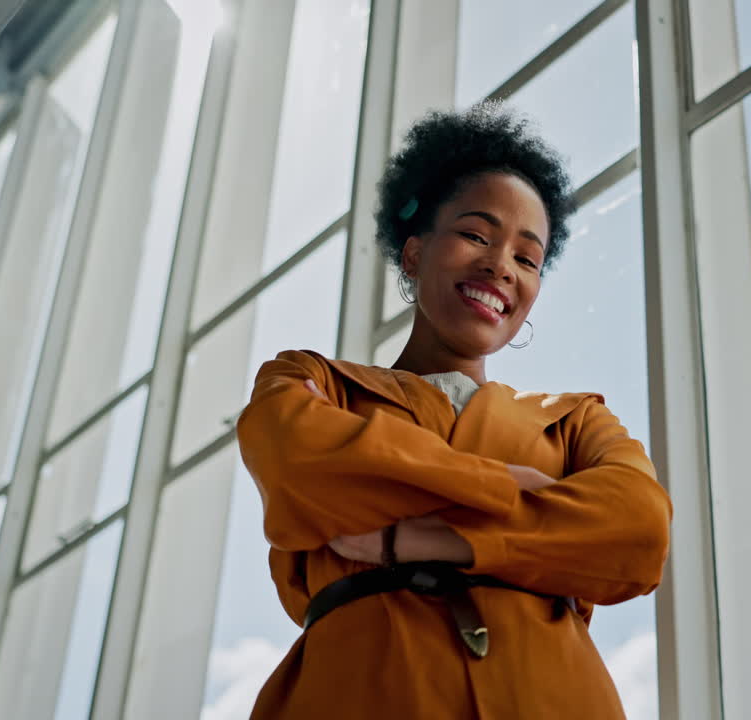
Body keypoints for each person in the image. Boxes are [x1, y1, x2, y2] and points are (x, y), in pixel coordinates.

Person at [235, 103, 673, 719]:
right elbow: (296, 465)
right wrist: (515, 489)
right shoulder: (309, 381)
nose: (501, 265)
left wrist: (410, 538)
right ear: (414, 252)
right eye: (475, 234)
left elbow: (639, 532)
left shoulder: (578, 419)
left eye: (527, 257)